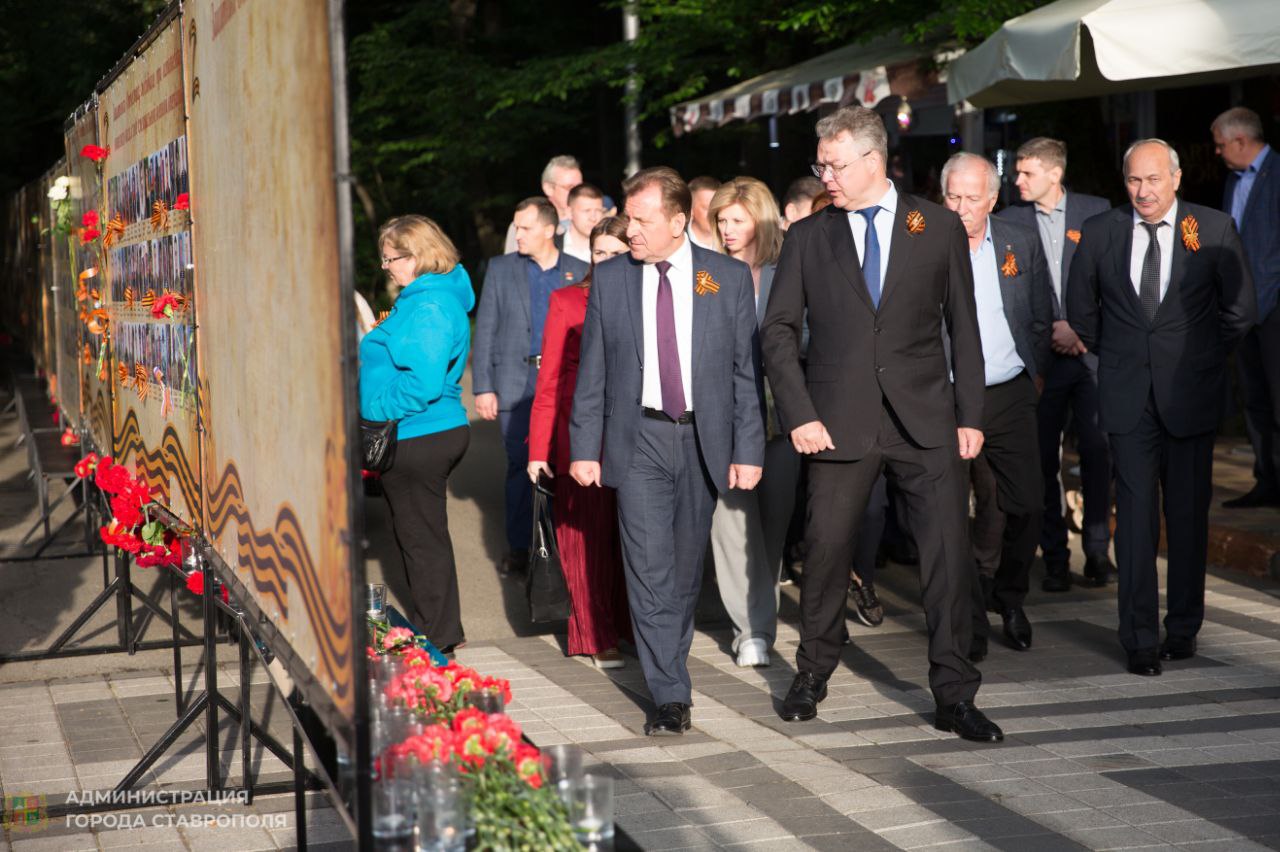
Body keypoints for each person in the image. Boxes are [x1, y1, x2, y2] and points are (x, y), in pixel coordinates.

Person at [762, 105, 1002, 742]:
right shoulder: (811, 236)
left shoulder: (938, 226)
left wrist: (971, 413)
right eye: (820, 165)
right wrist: (800, 415)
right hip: (836, 424)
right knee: (827, 550)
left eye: (835, 166)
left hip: (926, 421)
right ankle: (812, 672)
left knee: (946, 558)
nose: (826, 178)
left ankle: (954, 693)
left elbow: (965, 328)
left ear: (873, 161)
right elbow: (778, 333)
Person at [569, 167, 764, 736]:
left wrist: (748, 449)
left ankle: (669, 663)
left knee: (682, 570)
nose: (631, 231)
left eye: (642, 220)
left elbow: (744, 375)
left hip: (704, 439)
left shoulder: (725, 279)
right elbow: (594, 373)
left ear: (679, 221)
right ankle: (670, 692)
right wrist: (586, 446)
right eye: (629, 218)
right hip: (640, 440)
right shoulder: (613, 281)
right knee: (648, 568)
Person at [1066, 139, 1255, 676]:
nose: (1142, 191)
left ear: (1175, 179)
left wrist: (1199, 357)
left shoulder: (1212, 228)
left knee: (1188, 517)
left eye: (1152, 180)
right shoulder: (1102, 231)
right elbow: (1081, 309)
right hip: (1127, 398)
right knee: (1136, 521)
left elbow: (1239, 310)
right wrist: (1124, 354)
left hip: (1190, 396)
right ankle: (1139, 638)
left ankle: (1183, 628)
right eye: (1132, 181)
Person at [941, 153, 1053, 657]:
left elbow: (1038, 312)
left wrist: (1033, 374)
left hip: (1007, 389)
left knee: (1027, 501)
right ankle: (967, 620)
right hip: (942, 394)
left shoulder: (1018, 240)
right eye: (952, 197)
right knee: (946, 512)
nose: (962, 208)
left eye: (972, 198)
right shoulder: (922, 242)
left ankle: (1008, 596)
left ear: (992, 199)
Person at [998, 137, 1115, 590]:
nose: (1018, 180)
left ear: (1054, 173)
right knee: (1042, 458)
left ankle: (1098, 552)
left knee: (1098, 452)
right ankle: (1053, 557)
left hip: (1088, 355)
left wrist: (1083, 331)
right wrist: (1046, 332)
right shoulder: (1009, 219)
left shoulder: (1097, 211)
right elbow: (1012, 292)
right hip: (1040, 358)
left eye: (1026, 173)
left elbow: (1113, 279)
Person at [359, 215, 474, 652]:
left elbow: (422, 383)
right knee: (420, 536)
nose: (386, 267)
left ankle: (438, 639)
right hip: (421, 432)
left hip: (418, 433)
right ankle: (441, 630)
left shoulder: (429, 305)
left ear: (418, 255)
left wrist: (374, 409)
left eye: (391, 258)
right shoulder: (425, 298)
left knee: (421, 540)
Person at [528, 217, 633, 668]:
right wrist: (538, 450)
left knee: (627, 541)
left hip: (634, 436)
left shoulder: (645, 297)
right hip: (580, 437)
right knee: (583, 542)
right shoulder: (567, 301)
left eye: (616, 252)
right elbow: (548, 380)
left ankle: (629, 627)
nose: (606, 261)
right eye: (599, 253)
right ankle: (593, 634)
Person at [473, 198, 589, 576]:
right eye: (516, 227)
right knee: (521, 467)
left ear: (550, 229)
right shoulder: (502, 269)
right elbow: (486, 326)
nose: (517, 235)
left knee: (562, 463)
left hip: (564, 383)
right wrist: (483, 386)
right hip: (515, 384)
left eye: (524, 227)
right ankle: (522, 546)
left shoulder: (580, 269)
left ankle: (560, 543)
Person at [705, 176, 790, 667]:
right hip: (725, 417)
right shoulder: (708, 274)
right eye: (721, 220)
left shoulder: (785, 272)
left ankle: (761, 616)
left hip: (780, 417)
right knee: (733, 523)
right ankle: (750, 629)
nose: (728, 229)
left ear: (760, 219)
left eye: (737, 219)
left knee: (773, 529)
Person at [1212, 108, 1280, 509]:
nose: (1218, 152)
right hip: (1244, 311)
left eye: (1221, 144)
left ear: (1241, 140)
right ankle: (1266, 478)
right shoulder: (1233, 181)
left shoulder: (1277, 174)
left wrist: (1262, 303)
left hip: (1273, 309)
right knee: (1254, 397)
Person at [503, 155, 583, 253]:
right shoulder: (522, 226)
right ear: (548, 188)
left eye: (580, 187)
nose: (578, 193)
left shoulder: (594, 222)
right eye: (569, 187)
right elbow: (511, 265)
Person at [560, 183, 605, 264]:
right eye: (586, 210)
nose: (593, 218)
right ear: (569, 212)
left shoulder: (609, 249)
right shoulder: (553, 246)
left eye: (598, 210)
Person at [686, 176, 721, 249]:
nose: (714, 214)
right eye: (707, 208)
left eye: (718, 207)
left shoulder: (733, 243)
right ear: (690, 210)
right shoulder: (676, 242)